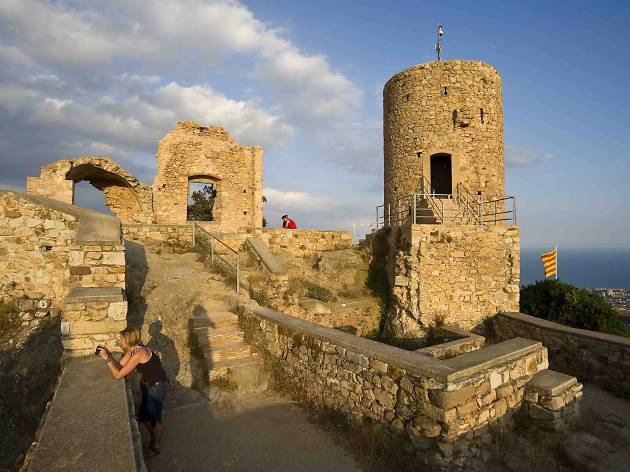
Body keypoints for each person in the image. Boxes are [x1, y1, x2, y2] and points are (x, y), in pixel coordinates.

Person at [97, 328, 168, 457]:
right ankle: (153, 439)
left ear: (128, 340)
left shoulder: (139, 353)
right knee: (145, 417)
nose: (119, 342)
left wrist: (107, 359)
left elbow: (118, 375)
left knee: (154, 419)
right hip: (148, 385)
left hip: (157, 387)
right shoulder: (133, 350)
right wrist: (109, 355)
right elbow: (119, 366)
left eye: (121, 340)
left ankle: (155, 446)